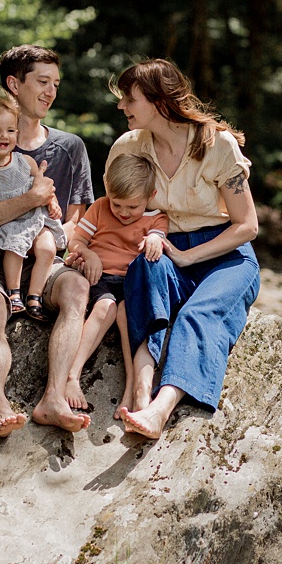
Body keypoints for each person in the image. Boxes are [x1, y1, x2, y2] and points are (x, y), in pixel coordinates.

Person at [106, 58, 261, 439]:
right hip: (165, 246)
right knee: (144, 268)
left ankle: (162, 408)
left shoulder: (216, 144)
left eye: (130, 98)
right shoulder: (129, 146)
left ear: (159, 102)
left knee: (197, 314)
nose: (122, 106)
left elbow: (248, 226)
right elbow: (113, 211)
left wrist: (190, 256)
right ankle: (141, 391)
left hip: (226, 256)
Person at [0, 45, 93, 435]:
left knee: (77, 289)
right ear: (14, 84)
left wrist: (53, 239)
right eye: (42, 82)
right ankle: (0, 407)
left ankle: (54, 399)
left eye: (56, 84)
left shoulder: (70, 147)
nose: (51, 92)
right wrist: (30, 200)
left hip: (44, 262)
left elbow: (75, 222)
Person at [62, 153, 168, 414]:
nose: (122, 213)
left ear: (150, 196)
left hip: (131, 283)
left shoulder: (157, 218)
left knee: (125, 316)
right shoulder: (99, 207)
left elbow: (158, 237)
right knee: (107, 307)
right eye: (117, 204)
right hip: (100, 278)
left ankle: (131, 389)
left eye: (132, 207)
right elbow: (76, 242)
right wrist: (88, 254)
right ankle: (71, 376)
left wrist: (155, 240)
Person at [0, 91, 66, 319]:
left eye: (10, 131)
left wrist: (53, 202)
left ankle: (35, 296)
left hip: (34, 219)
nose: (5, 136)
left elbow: (43, 186)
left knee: (49, 247)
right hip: (8, 223)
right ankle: (14, 293)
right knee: (14, 245)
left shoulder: (25, 161)